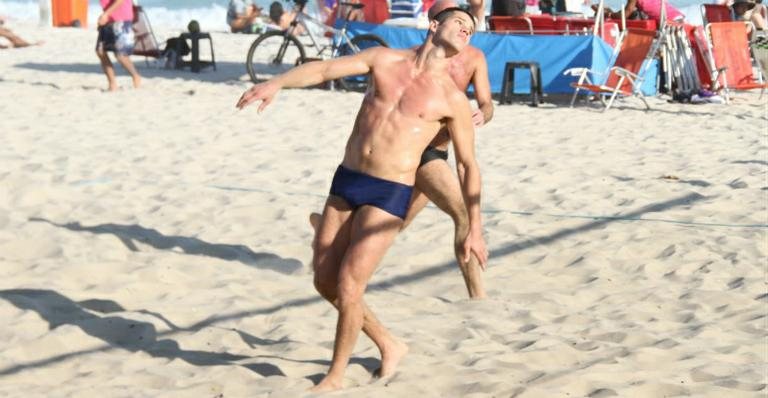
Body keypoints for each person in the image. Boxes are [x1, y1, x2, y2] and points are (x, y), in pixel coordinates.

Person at [237, 7, 488, 392]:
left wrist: (475, 228)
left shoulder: (451, 99)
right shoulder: (383, 60)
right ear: (434, 25)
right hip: (348, 179)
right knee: (325, 282)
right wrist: (278, 83)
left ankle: (336, 375)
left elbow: (468, 166)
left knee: (351, 285)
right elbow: (323, 70)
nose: (466, 30)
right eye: (459, 22)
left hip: (389, 192)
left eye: (470, 29)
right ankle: (389, 343)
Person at [309, 0, 493, 300]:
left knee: (396, 222)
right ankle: (478, 296)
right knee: (462, 214)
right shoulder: (412, 58)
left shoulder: (473, 57)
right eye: (437, 15)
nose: (454, 23)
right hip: (418, 154)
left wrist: (482, 113)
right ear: (433, 23)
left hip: (438, 148)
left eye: (461, 21)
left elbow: (487, 102)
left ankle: (331, 242)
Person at [96, 0, 141, 91]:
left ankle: (135, 76)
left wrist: (105, 14)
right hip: (108, 19)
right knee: (100, 51)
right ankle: (112, 84)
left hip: (122, 19)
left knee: (121, 55)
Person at [599, 0, 685, 24]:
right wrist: (613, 13)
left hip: (670, 24)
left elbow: (624, 15)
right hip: (678, 17)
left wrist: (608, 14)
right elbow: (628, 10)